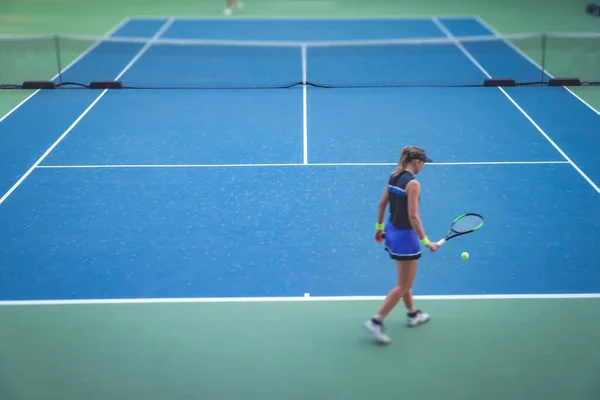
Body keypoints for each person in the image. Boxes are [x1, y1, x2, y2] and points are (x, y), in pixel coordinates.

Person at [364, 146, 439, 345]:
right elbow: (414, 216)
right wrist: (426, 241)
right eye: (424, 163)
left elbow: (381, 205)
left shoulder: (394, 176)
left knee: (405, 280)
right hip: (406, 239)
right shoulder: (413, 184)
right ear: (416, 162)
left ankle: (412, 313)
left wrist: (379, 228)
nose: (424, 166)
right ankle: (376, 320)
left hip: (392, 233)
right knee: (404, 284)